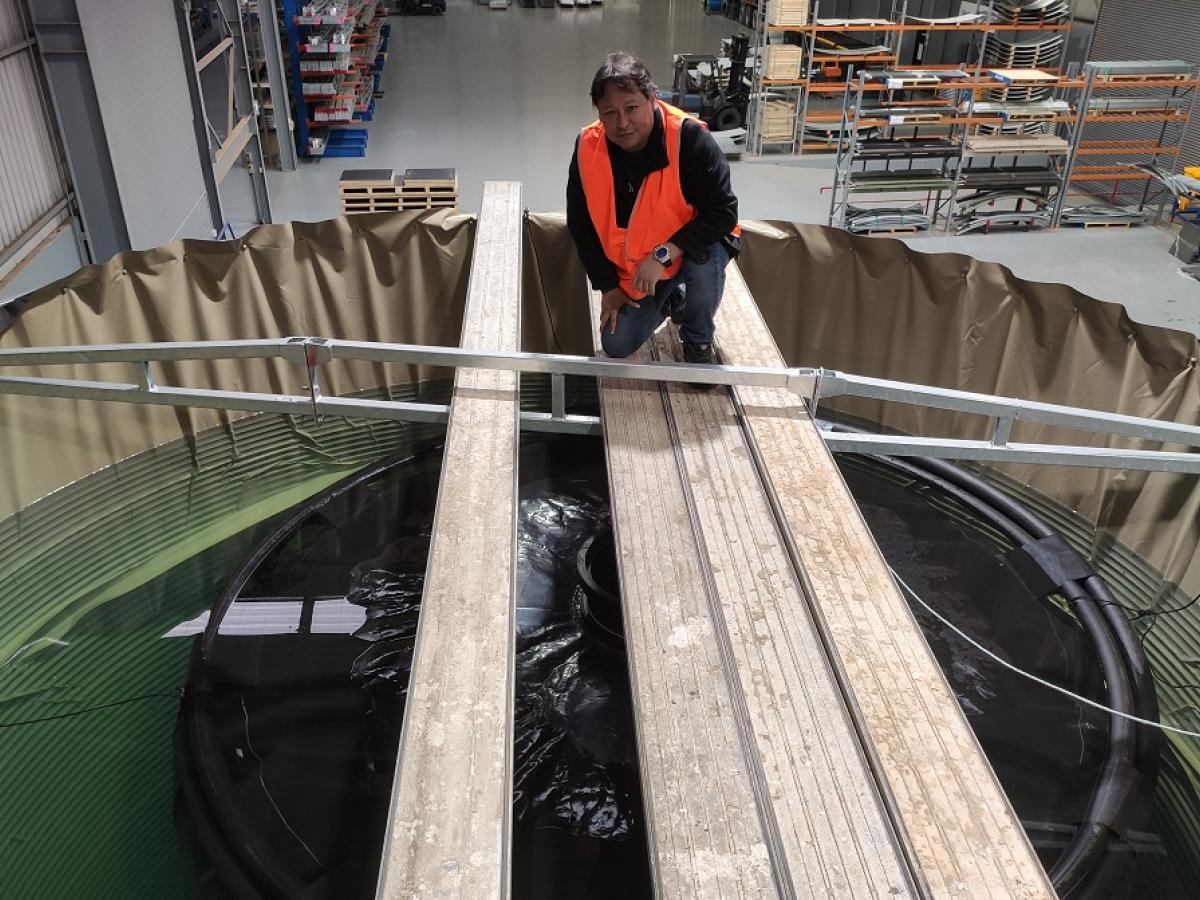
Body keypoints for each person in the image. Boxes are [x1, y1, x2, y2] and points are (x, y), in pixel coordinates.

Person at [567, 51, 740, 367]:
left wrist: (664, 254)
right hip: (638, 272)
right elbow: (580, 223)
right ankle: (676, 298)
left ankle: (698, 340)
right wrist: (608, 286)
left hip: (688, 250)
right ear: (598, 114)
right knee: (617, 344)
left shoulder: (689, 139)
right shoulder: (586, 147)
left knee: (706, 258)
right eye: (610, 113)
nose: (622, 123)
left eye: (631, 108)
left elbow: (724, 212)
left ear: (652, 99)